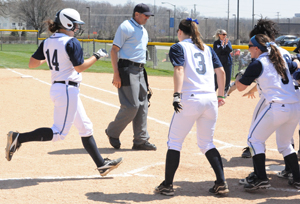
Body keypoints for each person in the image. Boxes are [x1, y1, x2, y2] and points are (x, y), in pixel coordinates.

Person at [5, 8, 123, 176]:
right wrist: (97, 56)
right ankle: (18, 138)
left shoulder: (48, 41)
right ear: (67, 23)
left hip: (60, 88)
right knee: (58, 133)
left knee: (86, 128)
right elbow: (79, 68)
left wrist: (51, 58)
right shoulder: (71, 42)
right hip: (67, 90)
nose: (77, 28)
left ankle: (101, 164)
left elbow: (32, 63)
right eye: (75, 25)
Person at [154, 18, 229, 196]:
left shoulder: (178, 47)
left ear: (180, 31)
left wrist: (176, 95)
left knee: (174, 142)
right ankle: (221, 182)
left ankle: (167, 185)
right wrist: (220, 95)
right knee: (206, 143)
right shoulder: (207, 48)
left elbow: (179, 70)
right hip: (210, 99)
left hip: (190, 98)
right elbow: (222, 72)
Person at [236, 34, 300, 190]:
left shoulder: (258, 63)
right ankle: (298, 179)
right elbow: (296, 65)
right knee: (285, 145)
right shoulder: (280, 59)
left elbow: (240, 87)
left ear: (257, 48)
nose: (249, 50)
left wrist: (239, 76)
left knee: (254, 140)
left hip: (277, 107)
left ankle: (261, 178)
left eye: (250, 47)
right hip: (294, 106)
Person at [105, 3, 156, 151]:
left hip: (140, 70)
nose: (147, 17)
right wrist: (116, 74)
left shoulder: (143, 30)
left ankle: (140, 140)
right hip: (127, 69)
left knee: (143, 105)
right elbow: (114, 51)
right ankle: (112, 131)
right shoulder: (126, 26)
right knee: (131, 106)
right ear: (136, 14)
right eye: (145, 15)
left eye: (148, 15)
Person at [213, 29, 232, 95]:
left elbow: (230, 50)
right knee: (217, 76)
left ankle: (225, 92)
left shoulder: (228, 42)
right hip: (219, 62)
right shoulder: (216, 43)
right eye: (223, 34)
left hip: (227, 61)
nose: (225, 36)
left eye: (226, 34)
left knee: (227, 77)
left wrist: (226, 45)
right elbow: (216, 51)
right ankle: (213, 90)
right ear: (219, 35)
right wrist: (221, 46)